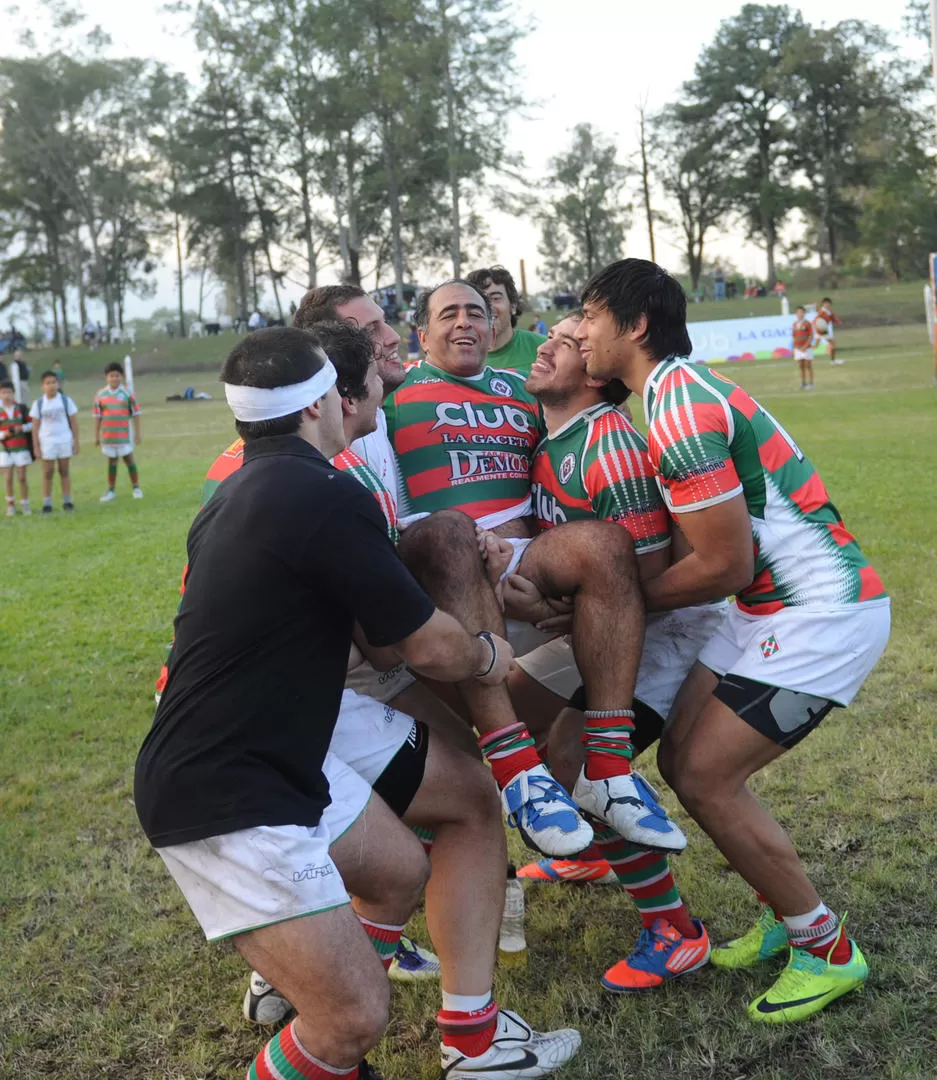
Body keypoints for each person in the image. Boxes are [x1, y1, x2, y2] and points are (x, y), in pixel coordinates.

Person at [135, 326, 580, 1080]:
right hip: (232, 787)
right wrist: (485, 653)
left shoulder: (247, 489)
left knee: (429, 839)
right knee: (350, 1019)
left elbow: (372, 641)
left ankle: (470, 1041)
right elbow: (425, 650)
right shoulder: (322, 492)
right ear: (320, 406)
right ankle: (325, 1021)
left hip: (270, 751)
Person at [576, 258, 890, 1023]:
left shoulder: (679, 411)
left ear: (635, 324)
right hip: (768, 610)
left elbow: (722, 565)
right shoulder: (674, 393)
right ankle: (787, 919)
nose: (579, 331)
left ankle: (826, 947)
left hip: (819, 613)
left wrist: (614, 601)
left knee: (710, 777)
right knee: (685, 765)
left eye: (588, 315)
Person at [386, 279, 687, 856]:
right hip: (444, 571)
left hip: (531, 566)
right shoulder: (395, 395)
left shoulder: (520, 390)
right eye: (447, 315)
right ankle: (518, 770)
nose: (465, 323)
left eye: (475, 311)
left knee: (602, 544)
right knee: (450, 534)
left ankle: (607, 768)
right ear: (422, 335)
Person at [491, 312, 723, 991]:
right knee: (508, 717)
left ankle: (675, 930)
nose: (549, 349)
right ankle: (588, 853)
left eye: (565, 345)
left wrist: (572, 611)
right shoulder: (555, 435)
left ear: (592, 378)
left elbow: (645, 582)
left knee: (572, 760)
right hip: (593, 627)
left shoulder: (608, 448)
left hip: (660, 632)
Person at [465, 265, 545, 375]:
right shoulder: (461, 357)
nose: (487, 307)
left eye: (496, 298)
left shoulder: (543, 348)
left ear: (513, 306)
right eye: (479, 300)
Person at [30, 371, 78, 513]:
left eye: (53, 382)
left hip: (64, 439)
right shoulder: (38, 403)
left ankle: (67, 501)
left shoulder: (65, 401)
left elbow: (74, 422)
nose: (51, 386)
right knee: (47, 472)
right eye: (48, 383)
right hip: (47, 441)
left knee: (64, 470)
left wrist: (76, 441)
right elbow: (35, 427)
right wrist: (36, 446)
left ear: (58, 384)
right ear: (42, 386)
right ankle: (47, 503)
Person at [94, 362, 143, 502]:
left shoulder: (127, 393)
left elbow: (136, 413)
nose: (114, 378)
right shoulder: (101, 395)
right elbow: (98, 417)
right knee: (112, 462)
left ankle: (136, 487)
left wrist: (138, 433)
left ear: (121, 377)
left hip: (124, 435)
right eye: (111, 376)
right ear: (106, 377)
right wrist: (96, 436)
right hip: (109, 436)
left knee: (129, 460)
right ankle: (111, 490)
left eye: (117, 376)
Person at [0, 378, 32, 516]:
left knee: (22, 477)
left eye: (9, 392)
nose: (7, 395)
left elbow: (32, 424)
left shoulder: (21, 408)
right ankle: (11, 505)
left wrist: (21, 428)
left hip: (21, 447)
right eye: (4, 393)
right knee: (7, 477)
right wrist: (4, 434)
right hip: (5, 449)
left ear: (14, 393)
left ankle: (25, 503)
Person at [791, 305, 814, 391]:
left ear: (804, 313)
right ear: (796, 314)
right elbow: (794, 337)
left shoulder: (807, 324)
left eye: (801, 312)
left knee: (808, 365)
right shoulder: (794, 324)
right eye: (798, 312)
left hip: (807, 348)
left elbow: (811, 336)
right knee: (801, 366)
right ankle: (803, 383)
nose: (800, 314)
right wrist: (794, 349)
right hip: (798, 348)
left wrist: (805, 346)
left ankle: (811, 383)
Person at [815, 296, 842, 364]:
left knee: (816, 345)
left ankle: (832, 358)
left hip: (823, 329)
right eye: (825, 303)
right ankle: (832, 359)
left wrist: (838, 322)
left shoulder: (829, 311)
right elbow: (818, 319)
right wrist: (818, 327)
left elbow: (833, 318)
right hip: (821, 329)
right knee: (833, 343)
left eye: (828, 303)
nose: (827, 304)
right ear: (823, 304)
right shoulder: (822, 311)